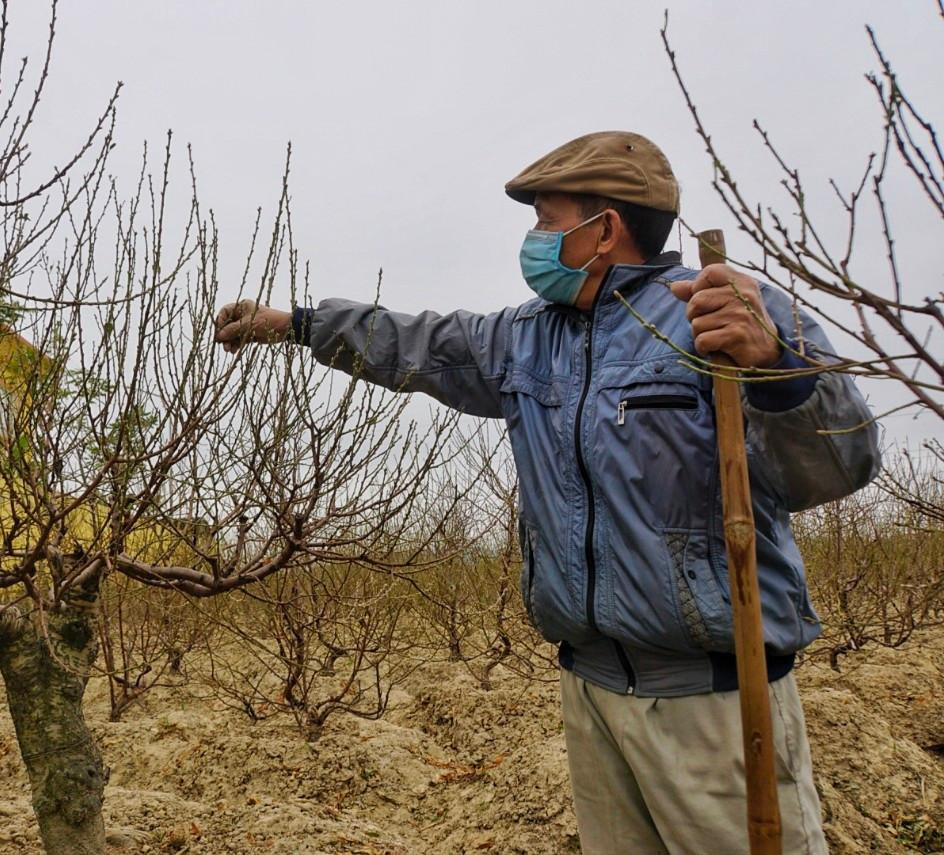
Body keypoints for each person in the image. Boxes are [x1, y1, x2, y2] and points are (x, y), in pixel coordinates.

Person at [213, 131, 879, 854]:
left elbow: (841, 466)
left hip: (717, 700)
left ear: (605, 229)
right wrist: (299, 325)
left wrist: (779, 365)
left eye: (545, 220)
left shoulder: (719, 312)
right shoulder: (527, 338)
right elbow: (418, 342)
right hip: (591, 693)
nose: (533, 239)